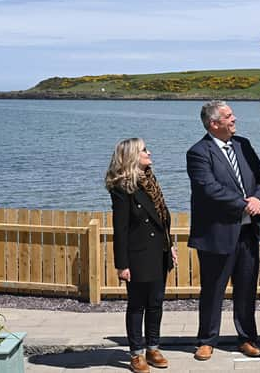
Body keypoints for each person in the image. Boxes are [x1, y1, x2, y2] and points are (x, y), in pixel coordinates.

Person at [186, 100, 260, 361]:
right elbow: (208, 189)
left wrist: (259, 199)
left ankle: (247, 339)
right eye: (229, 116)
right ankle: (206, 341)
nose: (235, 119)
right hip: (216, 234)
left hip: (248, 233)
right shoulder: (198, 152)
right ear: (214, 123)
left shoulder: (243, 145)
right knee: (213, 290)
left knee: (246, 289)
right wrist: (246, 205)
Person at [105, 138, 177, 373]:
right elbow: (121, 229)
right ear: (132, 156)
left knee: (156, 303)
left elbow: (162, 219)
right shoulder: (122, 188)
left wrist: (170, 246)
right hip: (137, 255)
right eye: (144, 150)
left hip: (159, 251)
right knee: (137, 305)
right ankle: (136, 353)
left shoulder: (150, 180)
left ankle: (153, 348)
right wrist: (122, 264)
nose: (149, 152)